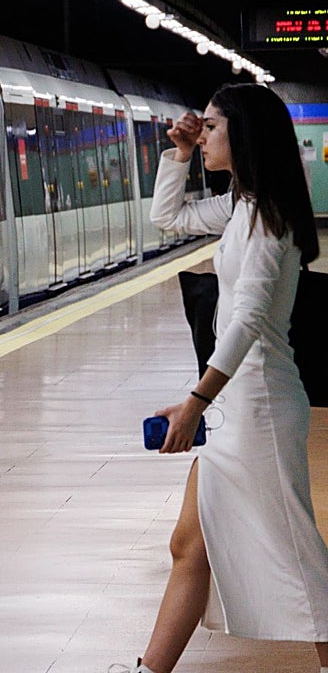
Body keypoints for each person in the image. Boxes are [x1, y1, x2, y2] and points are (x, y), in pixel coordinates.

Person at [117, 83, 328, 673]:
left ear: (245, 133)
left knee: (296, 555)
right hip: (237, 404)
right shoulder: (242, 208)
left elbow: (247, 322)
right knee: (190, 545)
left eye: (210, 127)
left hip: (258, 407)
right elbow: (167, 218)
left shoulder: (269, 219)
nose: (199, 132)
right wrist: (178, 156)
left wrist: (194, 401)